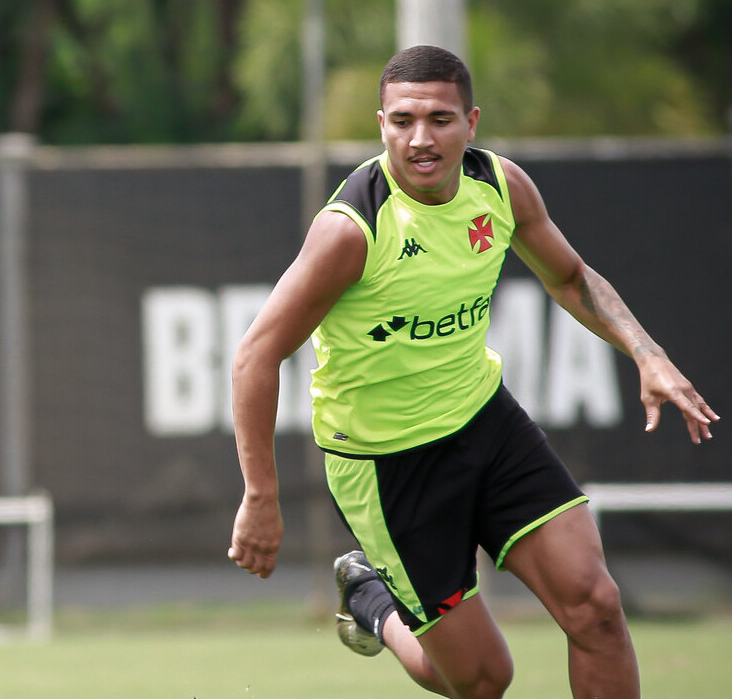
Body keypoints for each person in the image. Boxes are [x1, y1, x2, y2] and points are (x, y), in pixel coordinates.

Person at [227, 44, 717, 699]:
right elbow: (256, 354)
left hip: (485, 423)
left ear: (472, 123)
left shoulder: (500, 187)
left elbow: (570, 279)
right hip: (387, 463)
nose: (420, 139)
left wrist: (647, 354)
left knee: (595, 606)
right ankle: (373, 600)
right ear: (381, 126)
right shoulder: (351, 232)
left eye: (439, 119)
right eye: (402, 121)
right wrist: (261, 497)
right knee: (484, 680)